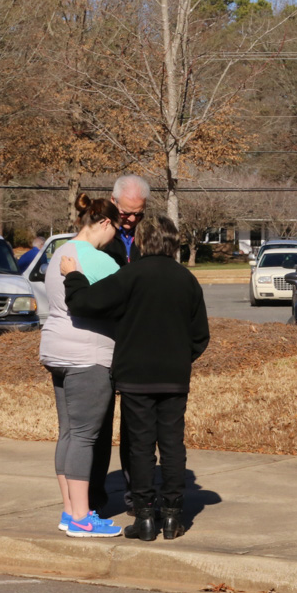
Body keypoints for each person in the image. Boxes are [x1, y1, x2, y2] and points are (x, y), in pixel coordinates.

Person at [63, 214, 210, 541]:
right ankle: (173, 516)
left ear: (142, 242)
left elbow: (85, 302)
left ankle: (144, 518)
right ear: (174, 243)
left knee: (140, 447)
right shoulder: (186, 280)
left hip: (134, 379)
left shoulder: (129, 275)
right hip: (173, 378)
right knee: (173, 445)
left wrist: (73, 276)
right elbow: (200, 336)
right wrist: (179, 360)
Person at [39, 195, 122, 538]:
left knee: (69, 433)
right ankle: (82, 518)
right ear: (104, 223)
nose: (114, 237)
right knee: (86, 437)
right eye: (115, 229)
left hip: (56, 349)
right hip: (88, 355)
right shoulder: (100, 261)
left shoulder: (59, 251)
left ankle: (70, 510)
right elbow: (123, 302)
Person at [90, 175, 149, 514]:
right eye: (125, 212)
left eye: (137, 214)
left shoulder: (148, 236)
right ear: (112, 201)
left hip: (136, 342)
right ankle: (95, 499)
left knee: (136, 425)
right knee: (97, 424)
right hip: (101, 339)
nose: (130, 219)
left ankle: (136, 495)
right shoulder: (96, 235)